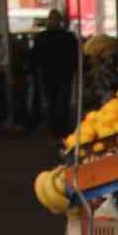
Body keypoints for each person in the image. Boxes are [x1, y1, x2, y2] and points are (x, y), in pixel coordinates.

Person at [33, 9, 78, 138]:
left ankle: (57, 130)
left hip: (56, 75)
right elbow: (75, 57)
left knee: (56, 104)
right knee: (58, 104)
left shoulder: (42, 38)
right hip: (60, 75)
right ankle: (60, 131)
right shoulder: (68, 37)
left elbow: (36, 58)